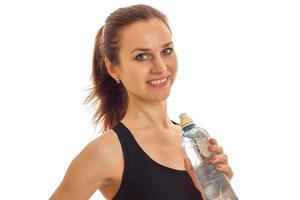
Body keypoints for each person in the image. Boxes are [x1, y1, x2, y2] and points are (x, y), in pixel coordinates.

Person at [50, 4, 234, 200]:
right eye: (142, 56)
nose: (160, 67)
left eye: (166, 50)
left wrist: (213, 194)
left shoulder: (194, 142)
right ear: (113, 68)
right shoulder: (106, 152)